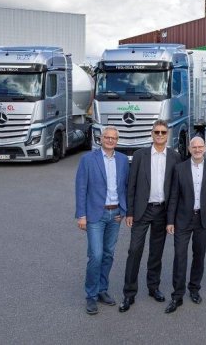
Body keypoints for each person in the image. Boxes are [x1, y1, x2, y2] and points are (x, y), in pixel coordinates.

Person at [119, 120, 182, 312]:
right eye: (157, 132)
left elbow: (176, 189)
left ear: (167, 135)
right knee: (134, 250)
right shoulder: (140, 155)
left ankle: (153, 287)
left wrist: (172, 217)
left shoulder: (175, 157)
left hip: (162, 211)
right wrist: (130, 211)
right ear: (152, 134)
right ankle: (129, 293)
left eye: (163, 132)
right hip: (142, 209)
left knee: (156, 252)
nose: (160, 135)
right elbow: (131, 185)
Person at [75, 126, 129, 315]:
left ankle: (102, 290)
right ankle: (91, 295)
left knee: (108, 255)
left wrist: (124, 210)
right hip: (95, 215)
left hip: (115, 215)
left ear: (117, 140)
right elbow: (81, 188)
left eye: (114, 138)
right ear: (101, 138)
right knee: (96, 255)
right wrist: (81, 215)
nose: (110, 140)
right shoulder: (88, 159)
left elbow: (126, 187)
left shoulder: (123, 160)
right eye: (107, 137)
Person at [164, 136, 206, 314]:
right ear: (189, 149)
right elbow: (173, 196)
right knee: (180, 256)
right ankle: (177, 295)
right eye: (194, 147)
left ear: (205, 148)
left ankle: (194, 288)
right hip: (182, 219)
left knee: (199, 256)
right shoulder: (179, 168)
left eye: (200, 146)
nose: (197, 150)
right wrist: (170, 221)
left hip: (203, 220)